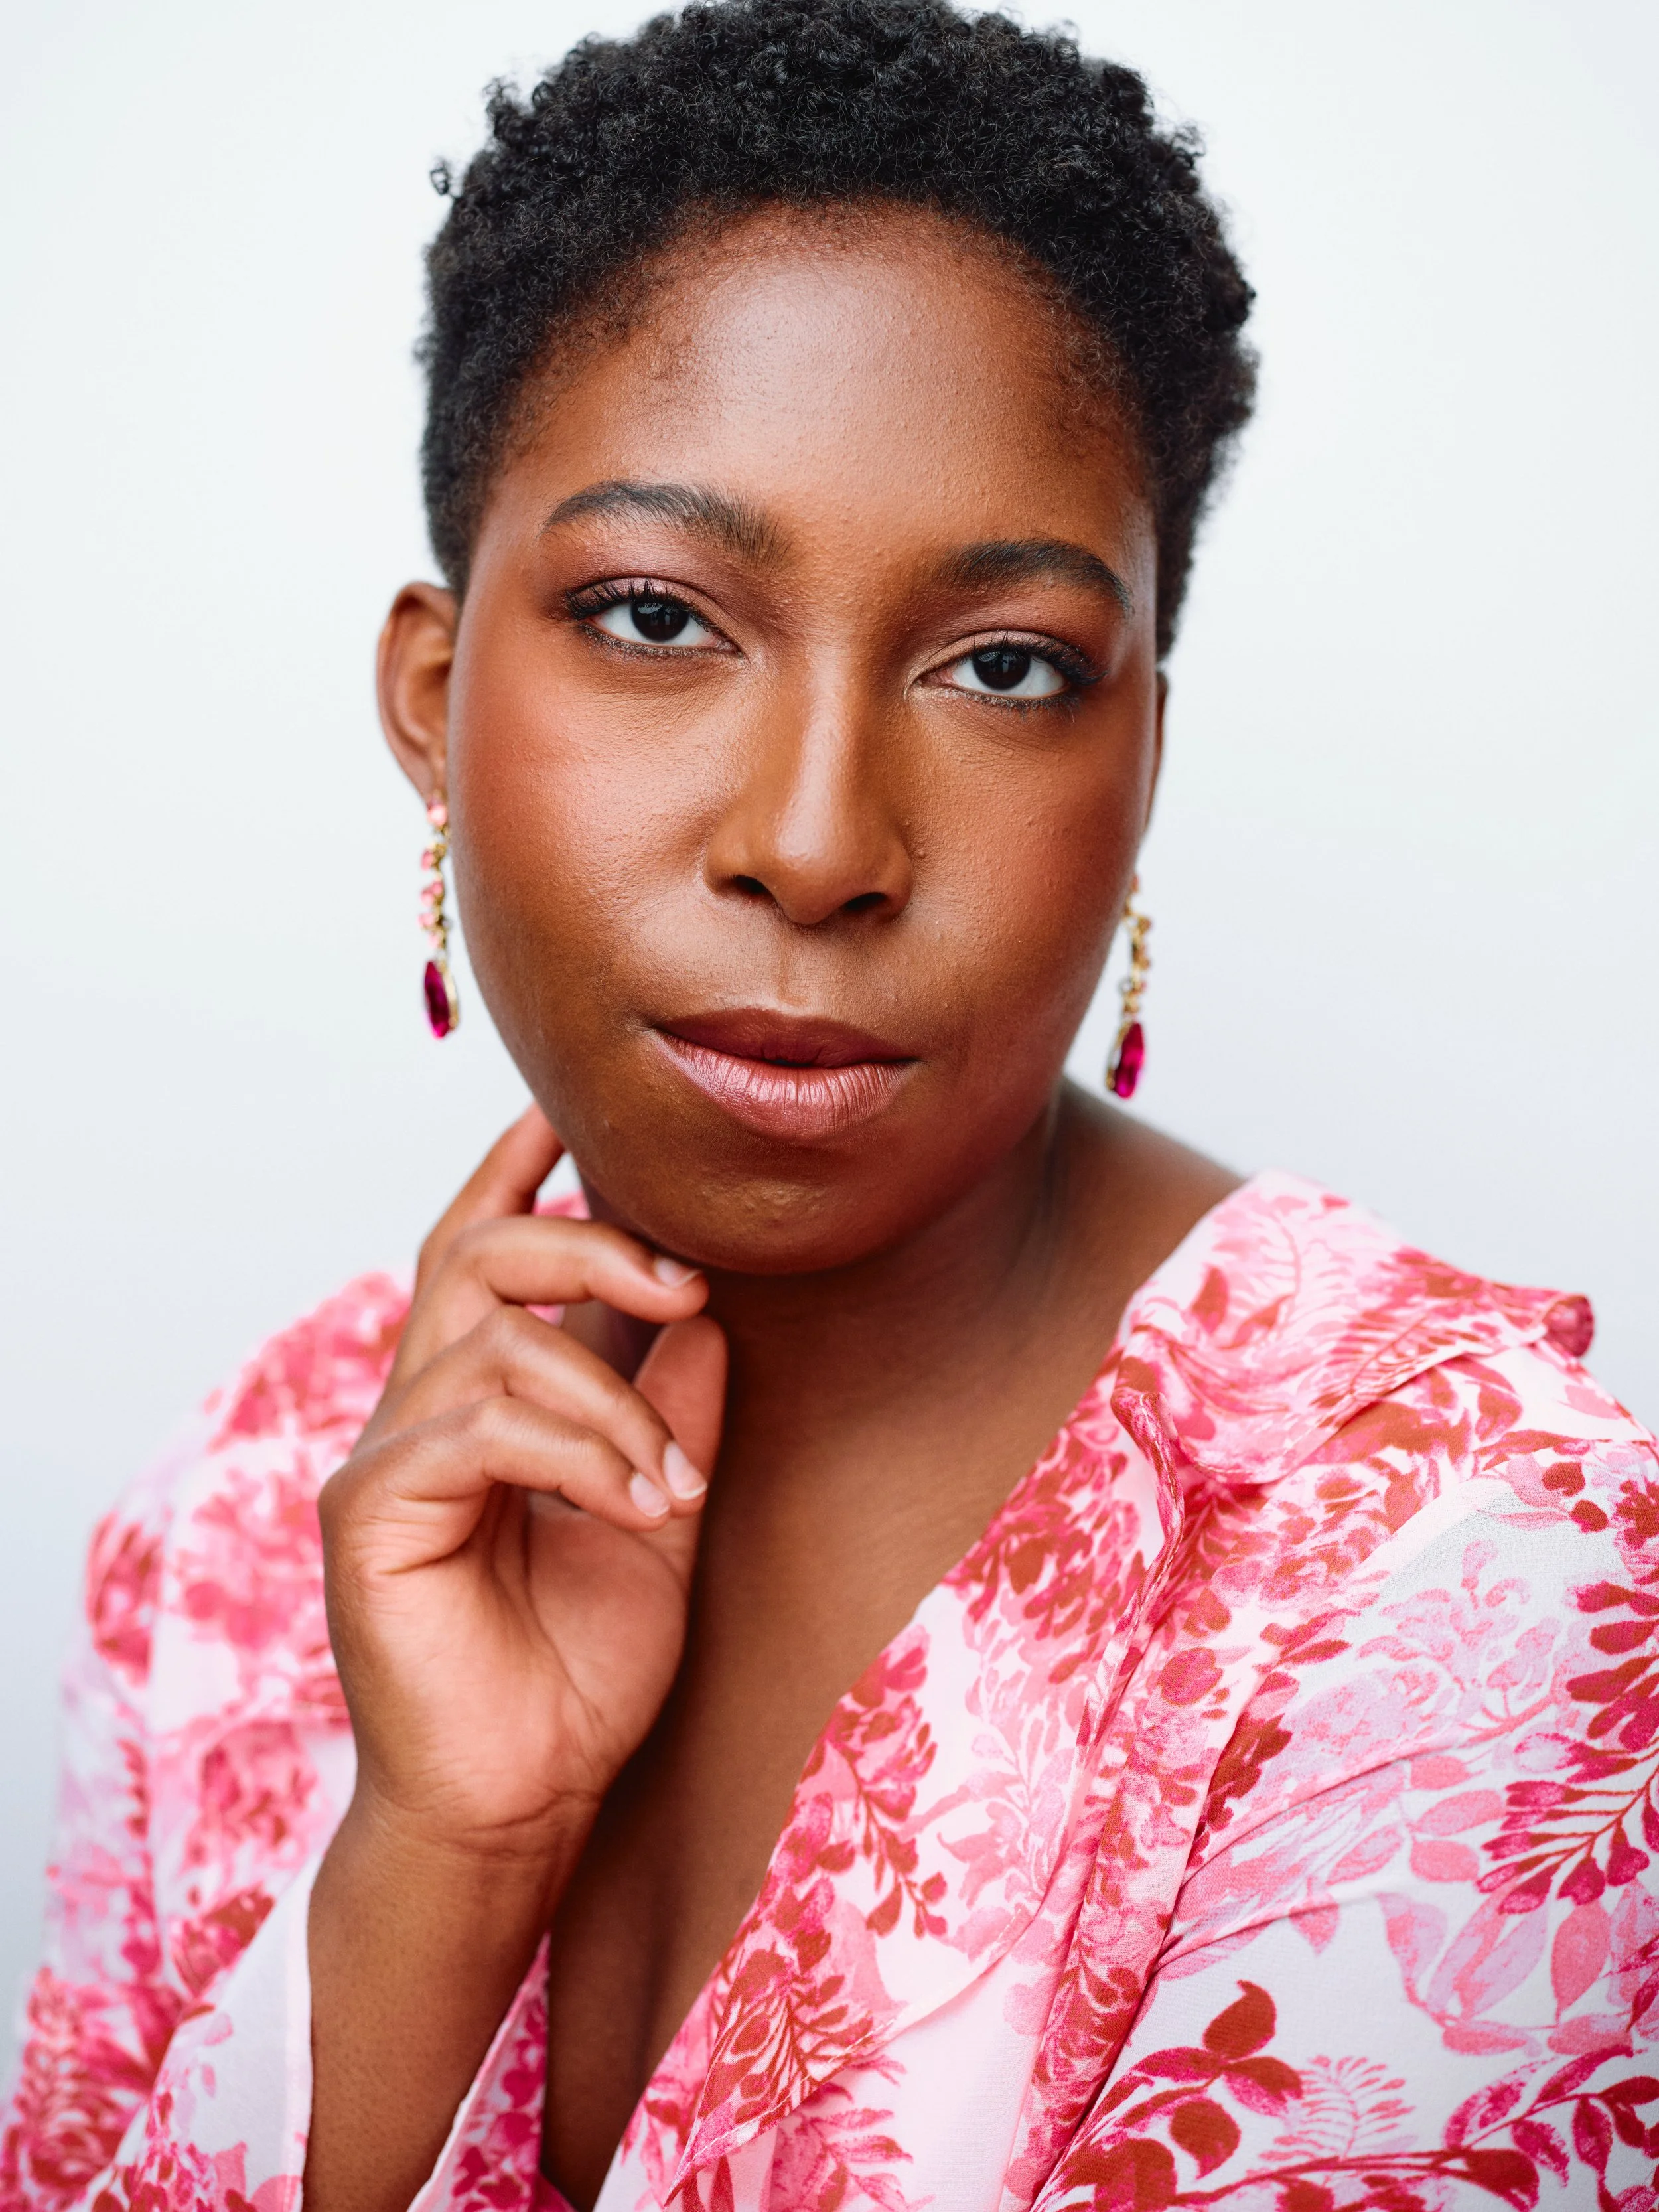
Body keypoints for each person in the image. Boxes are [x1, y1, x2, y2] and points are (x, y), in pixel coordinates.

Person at [6, 1, 1658, 2206]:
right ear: (429, 696)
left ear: (1138, 753)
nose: (813, 840)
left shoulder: (1464, 1578)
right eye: (658, 617)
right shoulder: (237, 1534)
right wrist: (437, 1862)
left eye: (1002, 665)